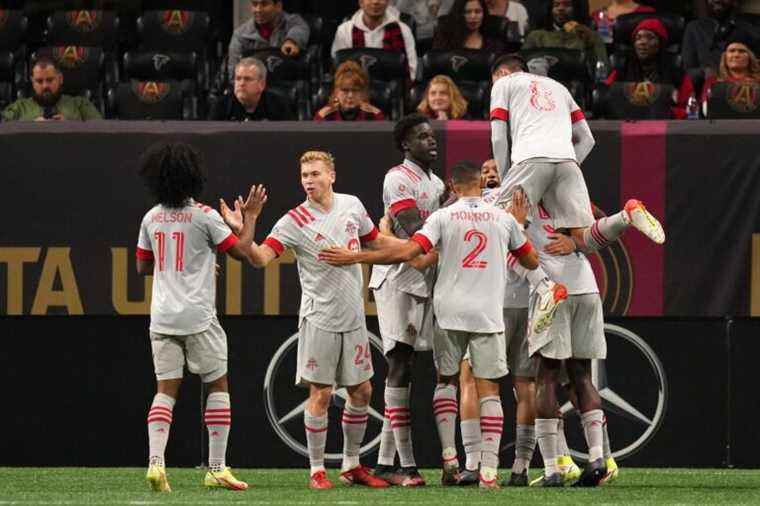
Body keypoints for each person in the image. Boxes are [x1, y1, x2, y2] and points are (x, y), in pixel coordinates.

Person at [318, 160, 541, 489]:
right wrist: (516, 230)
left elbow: (413, 254)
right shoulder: (503, 219)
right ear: (481, 183)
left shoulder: (441, 217)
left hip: (450, 312)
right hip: (488, 314)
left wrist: (356, 256)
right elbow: (531, 261)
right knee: (489, 390)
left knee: (447, 382)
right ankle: (490, 472)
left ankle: (450, 459)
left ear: (452, 187)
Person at [218, 151, 392, 490]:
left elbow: (375, 242)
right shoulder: (293, 221)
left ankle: (352, 465)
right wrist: (248, 224)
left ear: (332, 176)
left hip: (354, 317)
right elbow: (258, 258)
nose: (309, 181)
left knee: (362, 391)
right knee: (322, 394)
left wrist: (412, 247)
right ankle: (316, 470)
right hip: (319, 318)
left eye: (315, 174)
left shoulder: (352, 206)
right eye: (304, 176)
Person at [136, 142, 264, 492]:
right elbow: (241, 252)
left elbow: (143, 266)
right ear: (193, 177)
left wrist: (183, 266)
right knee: (217, 384)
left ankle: (156, 463)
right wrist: (250, 218)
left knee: (165, 389)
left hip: (162, 318)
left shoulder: (150, 218)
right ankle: (217, 468)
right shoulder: (205, 215)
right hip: (198, 317)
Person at [365, 114, 446, 487]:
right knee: (398, 362)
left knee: (409, 366)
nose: (431, 141)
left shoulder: (438, 183)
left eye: (432, 135)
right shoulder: (397, 178)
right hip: (397, 278)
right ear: (405, 144)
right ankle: (408, 465)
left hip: (423, 277)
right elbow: (416, 230)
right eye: (421, 136)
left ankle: (384, 463)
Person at [604, 18, 696, 119]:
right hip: (628, 125)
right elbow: (605, 99)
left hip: (665, 127)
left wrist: (662, 111)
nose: (642, 42)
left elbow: (688, 109)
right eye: (638, 38)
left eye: (650, 37)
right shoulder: (622, 69)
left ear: (660, 43)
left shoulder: (676, 72)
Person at [331, 0, 419, 81]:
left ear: (388, 2)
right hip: (354, 90)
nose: (375, 2)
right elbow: (338, 69)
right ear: (361, 2)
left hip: (392, 93)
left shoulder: (403, 30)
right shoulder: (345, 30)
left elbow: (411, 72)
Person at [227, 0, 310, 79]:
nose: (258, 10)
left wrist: (291, 41)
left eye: (264, 4)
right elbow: (234, 73)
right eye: (254, 4)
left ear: (278, 6)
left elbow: (300, 28)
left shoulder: (292, 21)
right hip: (253, 89)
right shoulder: (241, 35)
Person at [2, 58, 101, 121]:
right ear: (32, 82)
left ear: (60, 79)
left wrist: (70, 126)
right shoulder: (19, 107)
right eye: (39, 81)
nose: (45, 86)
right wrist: (30, 127)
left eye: (50, 80)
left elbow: (101, 132)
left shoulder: (80, 104)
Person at [682, 0, 760, 79]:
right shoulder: (694, 28)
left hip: (742, 85)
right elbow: (687, 70)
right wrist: (704, 72)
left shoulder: (749, 29)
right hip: (709, 85)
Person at [522, 0, 609, 70]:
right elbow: (523, 67)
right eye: (556, 5)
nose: (561, 8)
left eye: (567, 5)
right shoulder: (536, 36)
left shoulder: (590, 36)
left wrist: (588, 42)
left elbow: (602, 68)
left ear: (577, 8)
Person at [208, 57, 295, 121]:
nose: (241, 83)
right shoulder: (221, 106)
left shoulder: (279, 106)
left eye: (248, 79)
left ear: (262, 84)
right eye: (238, 78)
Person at [314, 60, 385, 121]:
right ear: (336, 92)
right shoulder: (324, 116)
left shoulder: (374, 115)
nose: (350, 95)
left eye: (355, 90)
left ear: (363, 93)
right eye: (345, 90)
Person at [700, 33, 760, 104]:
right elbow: (705, 110)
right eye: (731, 51)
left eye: (742, 51)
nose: (736, 55)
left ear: (751, 57)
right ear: (725, 57)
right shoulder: (713, 82)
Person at [432, 0, 508, 52]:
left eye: (477, 12)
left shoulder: (494, 44)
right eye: (467, 12)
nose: (473, 16)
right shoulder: (445, 41)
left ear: (484, 14)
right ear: (459, 15)